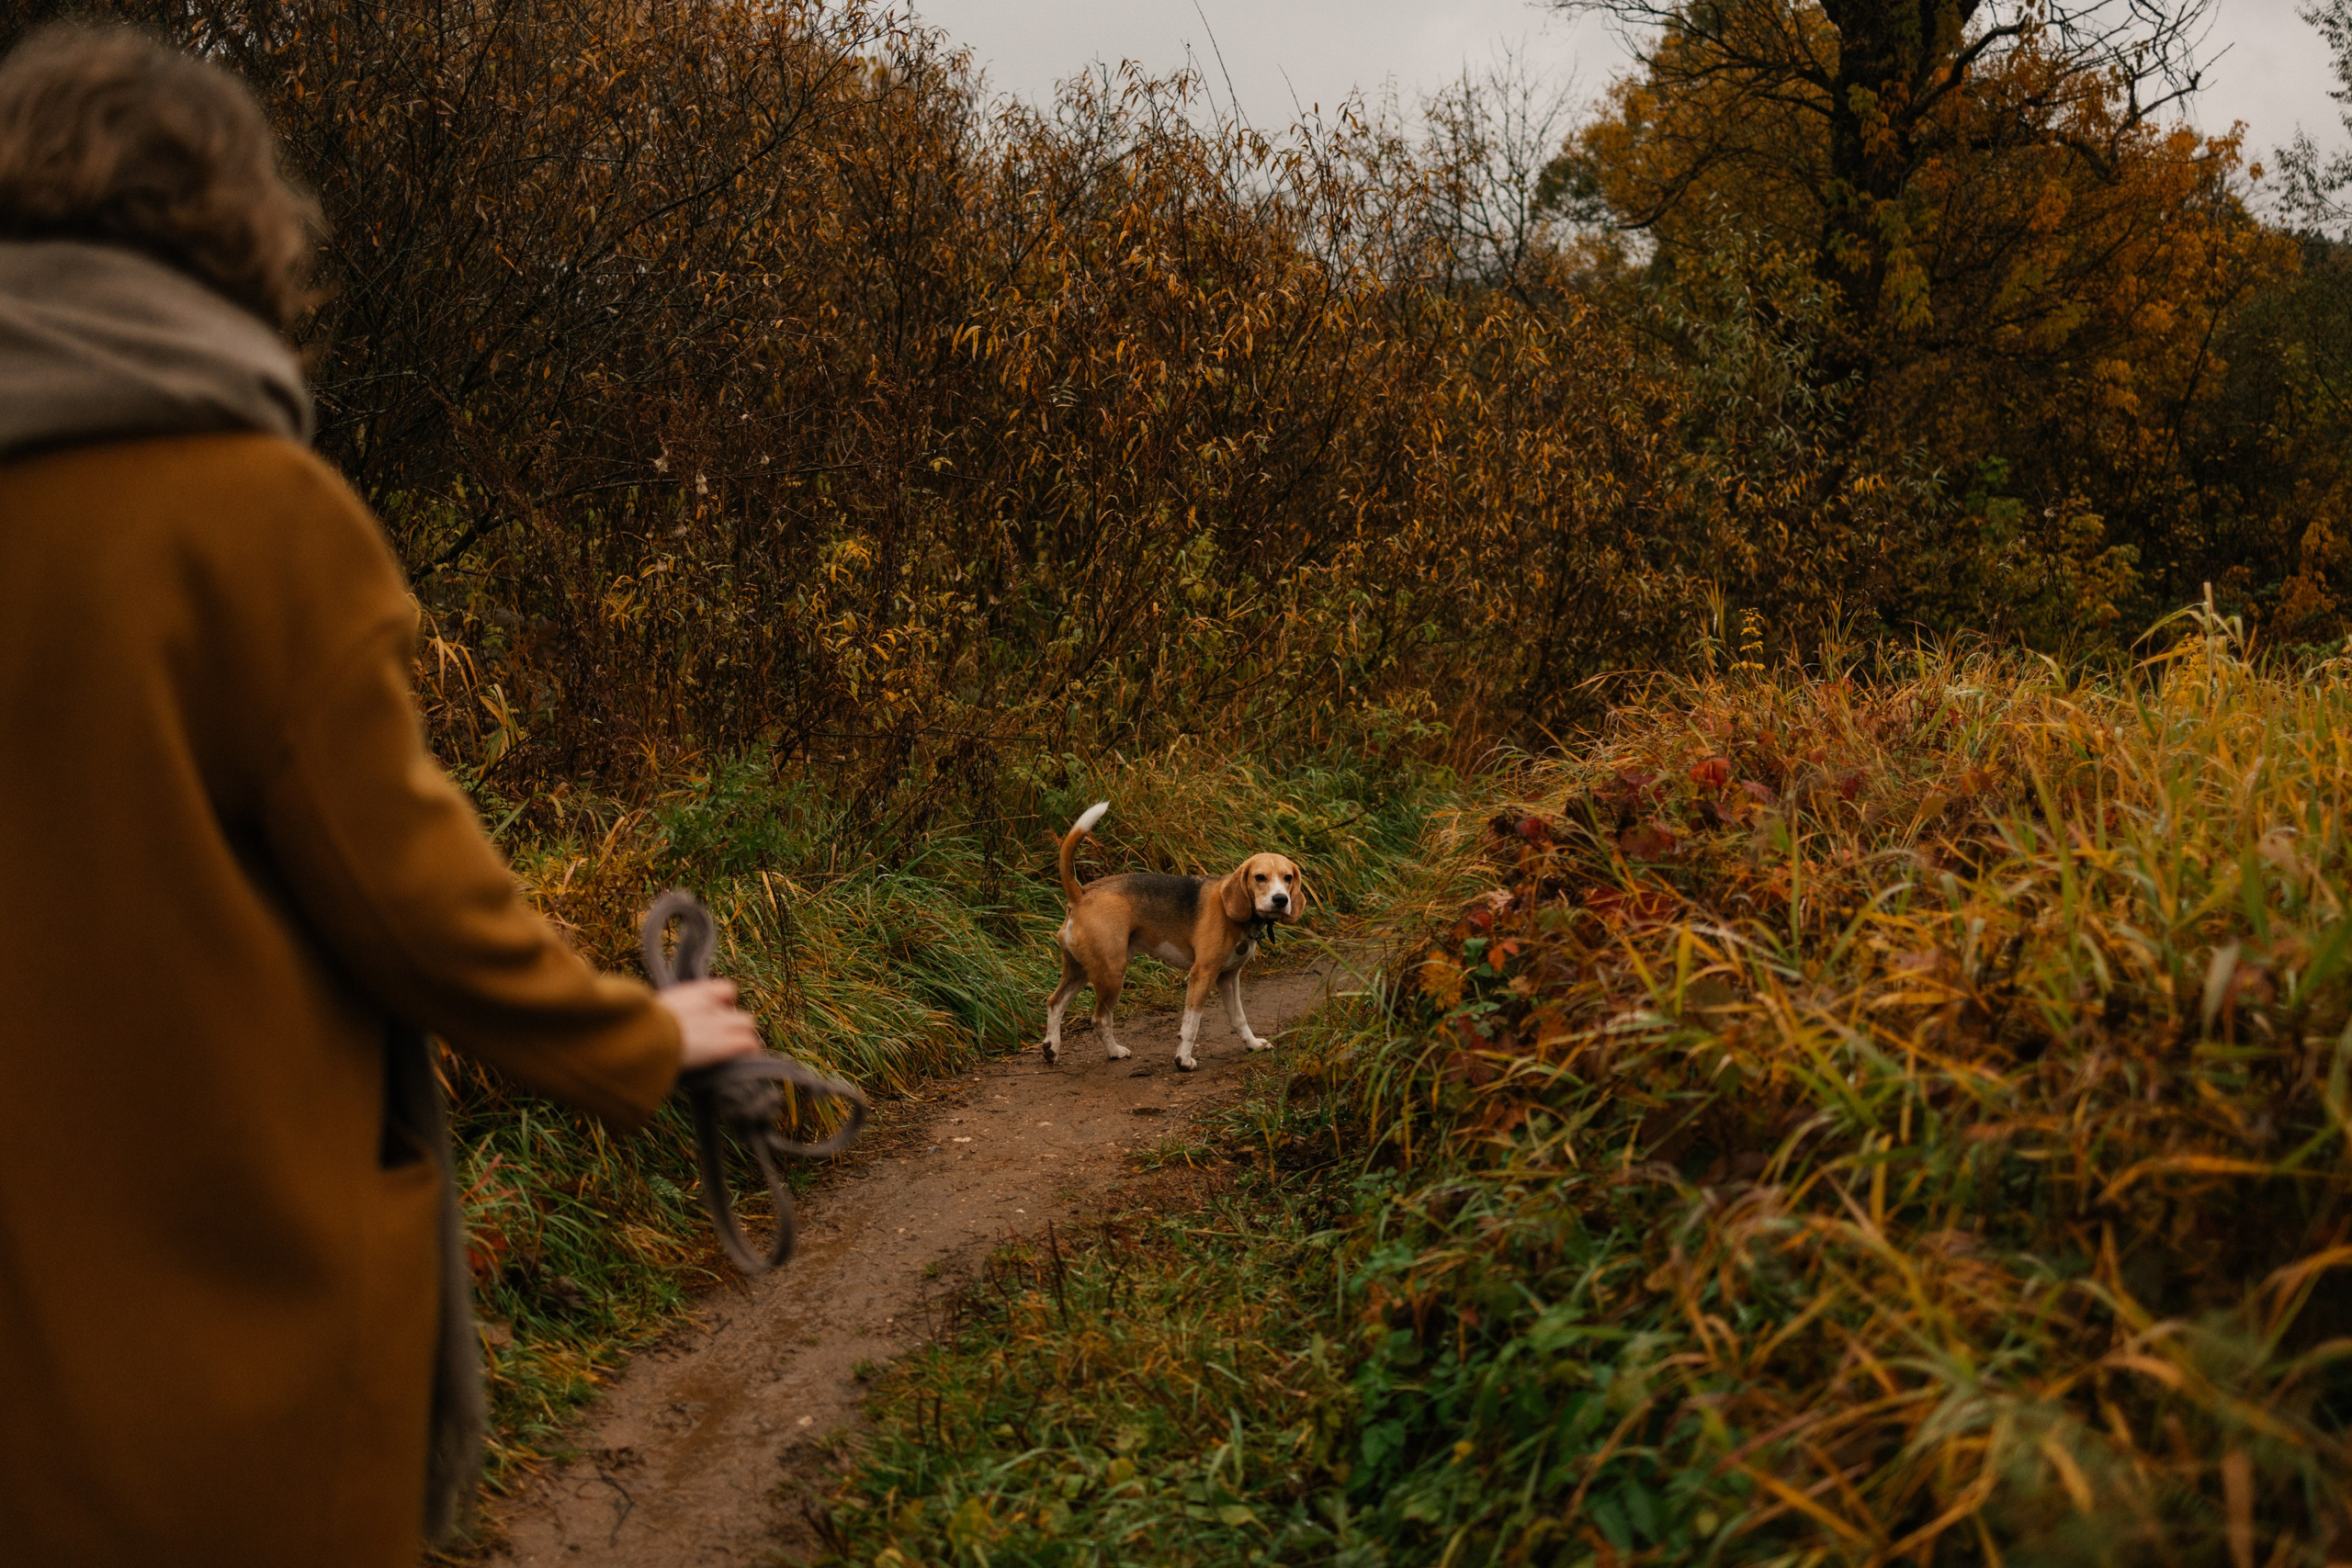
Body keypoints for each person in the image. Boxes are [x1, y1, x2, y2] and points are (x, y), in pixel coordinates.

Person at [0, 24, 762, 1566]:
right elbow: (412, 901)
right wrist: (638, 1033)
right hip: (201, 1361)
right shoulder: (252, 516)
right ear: (231, 230)